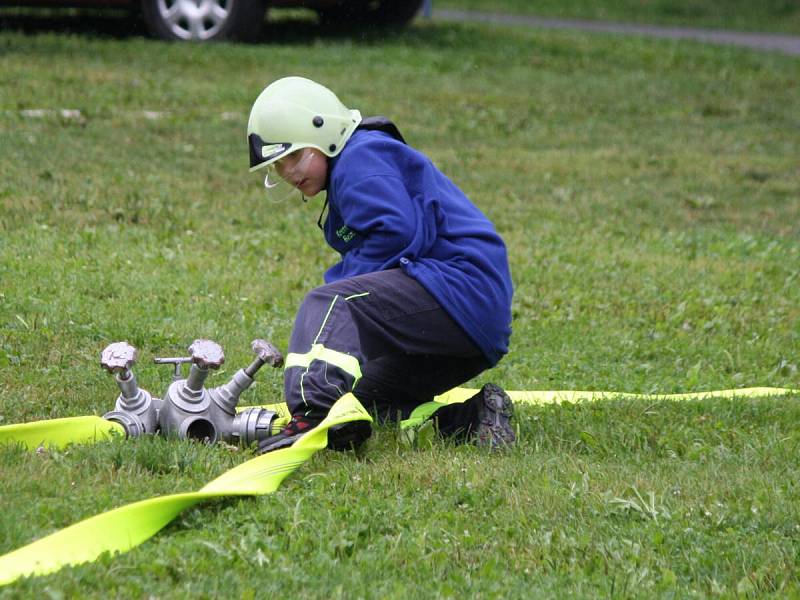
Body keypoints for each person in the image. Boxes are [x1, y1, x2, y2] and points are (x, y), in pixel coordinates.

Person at [247, 76, 515, 453]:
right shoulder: (358, 164)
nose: (288, 172)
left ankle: (311, 414)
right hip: (471, 321)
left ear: (323, 132)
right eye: (278, 166)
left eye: (294, 155)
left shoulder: (360, 157)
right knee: (364, 402)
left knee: (328, 303)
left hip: (459, 289)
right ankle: (476, 419)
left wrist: (338, 297)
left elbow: (395, 233)